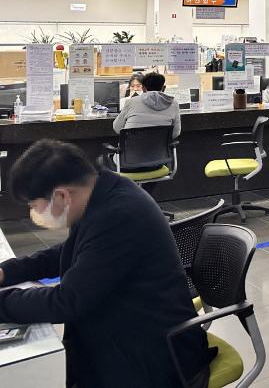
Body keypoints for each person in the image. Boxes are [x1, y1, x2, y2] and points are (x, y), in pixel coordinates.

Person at [0, 140, 211, 387]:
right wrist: (7, 271)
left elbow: (67, 301)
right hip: (129, 327)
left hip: (155, 355)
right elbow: (70, 252)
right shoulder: (99, 194)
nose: (33, 213)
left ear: (61, 196)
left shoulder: (118, 214)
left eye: (34, 205)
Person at [113, 71, 181, 139]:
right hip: (159, 145)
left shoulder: (131, 102)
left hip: (133, 145)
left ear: (143, 88)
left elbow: (117, 128)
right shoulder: (173, 104)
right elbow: (175, 133)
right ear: (163, 88)